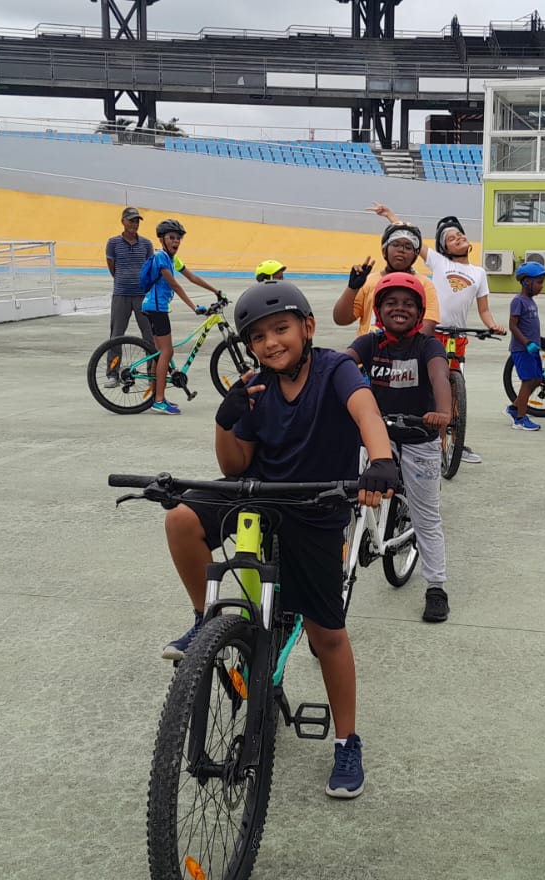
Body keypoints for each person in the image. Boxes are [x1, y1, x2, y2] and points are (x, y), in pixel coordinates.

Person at [161, 281, 397, 798]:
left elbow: (366, 413)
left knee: (326, 635)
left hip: (314, 510)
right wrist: (229, 417)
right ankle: (206, 622)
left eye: (281, 329)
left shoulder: (337, 369)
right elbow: (233, 466)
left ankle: (346, 741)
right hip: (258, 497)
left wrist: (380, 460)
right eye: (258, 337)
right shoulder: (255, 385)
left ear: (308, 328)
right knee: (180, 518)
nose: (270, 343)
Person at [344, 273, 455, 623]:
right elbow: (342, 363)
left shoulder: (428, 346)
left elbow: (440, 376)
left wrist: (443, 413)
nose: (399, 309)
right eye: (391, 302)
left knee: (426, 515)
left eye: (408, 304)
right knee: (345, 498)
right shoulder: (370, 343)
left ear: (420, 313)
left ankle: (436, 586)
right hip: (378, 434)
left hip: (419, 436)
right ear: (378, 309)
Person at [370, 204, 503, 466]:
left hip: (459, 335)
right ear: (444, 248)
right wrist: (390, 216)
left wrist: (493, 324)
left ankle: (455, 442)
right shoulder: (438, 262)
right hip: (435, 332)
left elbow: (484, 309)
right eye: (451, 238)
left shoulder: (479, 272)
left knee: (455, 389)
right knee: (431, 387)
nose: (459, 238)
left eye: (461, 235)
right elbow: (411, 238)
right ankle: (435, 440)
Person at [142, 219, 219, 415]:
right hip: (157, 308)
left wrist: (215, 290)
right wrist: (195, 308)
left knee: (160, 354)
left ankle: (155, 396)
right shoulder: (160, 258)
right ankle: (159, 400)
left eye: (178, 238)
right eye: (171, 238)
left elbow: (192, 277)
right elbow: (175, 285)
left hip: (154, 307)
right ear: (162, 239)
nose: (176, 241)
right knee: (167, 352)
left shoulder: (172, 259)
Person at [332, 222, 440, 338]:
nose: (401, 250)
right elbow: (341, 319)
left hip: (407, 353)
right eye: (395, 244)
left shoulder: (425, 285)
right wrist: (352, 288)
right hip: (369, 351)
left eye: (408, 247)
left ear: (415, 255)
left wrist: (397, 348)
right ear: (384, 251)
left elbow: (428, 326)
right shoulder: (368, 281)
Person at [103, 207, 155, 389]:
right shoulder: (113, 243)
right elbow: (112, 267)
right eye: (131, 220)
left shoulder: (147, 244)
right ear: (123, 221)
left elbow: (151, 268)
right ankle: (112, 374)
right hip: (121, 295)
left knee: (149, 336)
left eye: (137, 221)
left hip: (143, 296)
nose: (134, 224)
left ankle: (153, 375)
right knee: (116, 336)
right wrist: (123, 280)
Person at [505, 261, 545, 433]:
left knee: (537, 379)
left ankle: (514, 408)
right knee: (527, 382)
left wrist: (539, 340)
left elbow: (530, 326)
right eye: (539, 282)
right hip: (522, 349)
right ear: (526, 282)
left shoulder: (530, 301)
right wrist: (526, 343)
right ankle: (520, 419)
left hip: (532, 347)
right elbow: (513, 326)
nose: (542, 286)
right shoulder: (518, 301)